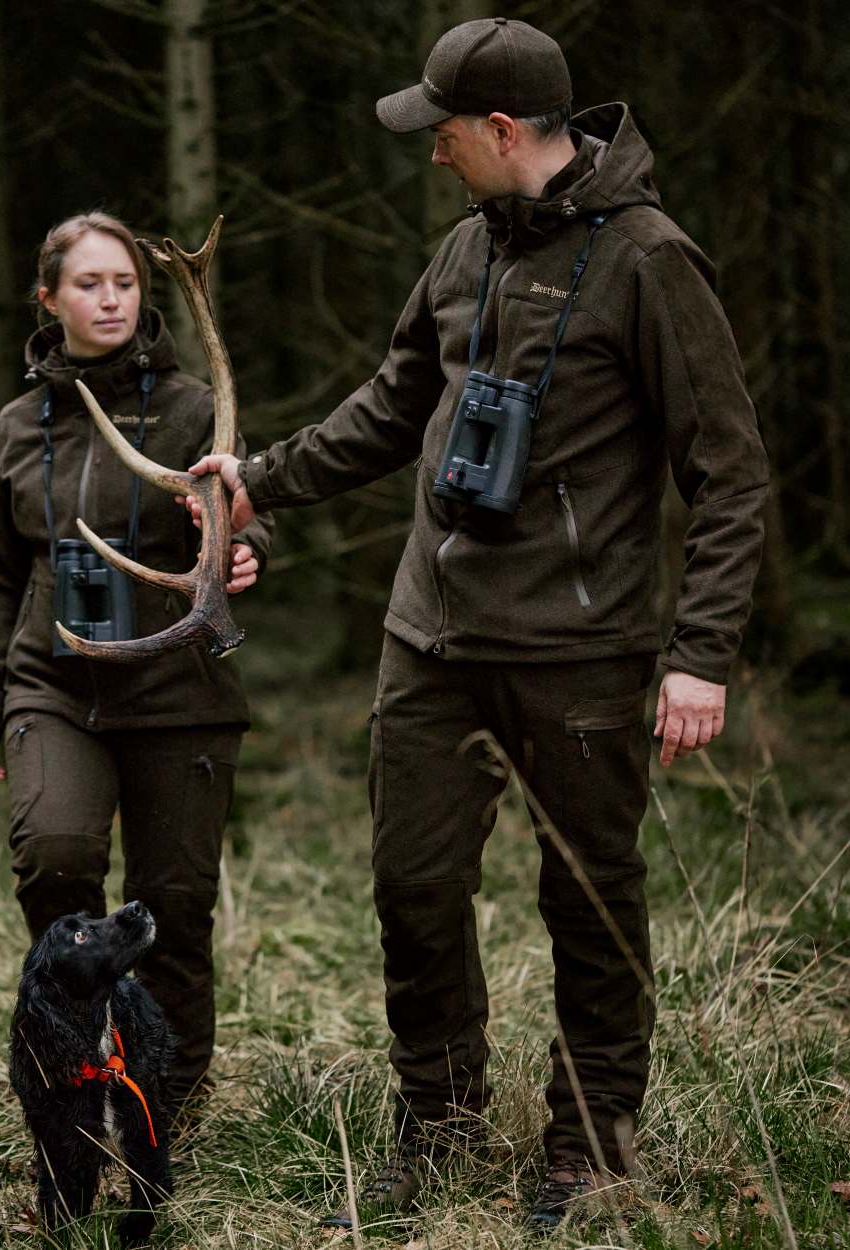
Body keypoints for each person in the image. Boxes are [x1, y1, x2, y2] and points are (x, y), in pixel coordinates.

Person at [187, 17, 769, 1231]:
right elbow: (394, 404)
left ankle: (590, 1147)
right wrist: (263, 476)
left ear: (504, 130)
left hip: (583, 658)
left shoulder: (652, 260)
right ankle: (440, 1121)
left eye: (445, 131)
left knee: (590, 905)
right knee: (413, 886)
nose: (433, 151)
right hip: (430, 643)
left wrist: (698, 653)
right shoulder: (461, 251)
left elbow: (730, 472)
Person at [0, 211, 273, 1125]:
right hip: (53, 687)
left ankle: (160, 1104)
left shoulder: (191, 406)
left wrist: (247, 552)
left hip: (182, 691)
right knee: (57, 860)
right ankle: (67, 1072)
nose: (110, 299)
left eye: (126, 283)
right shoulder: (18, 427)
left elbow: (247, 514)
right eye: (89, 284)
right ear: (48, 299)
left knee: (172, 904)